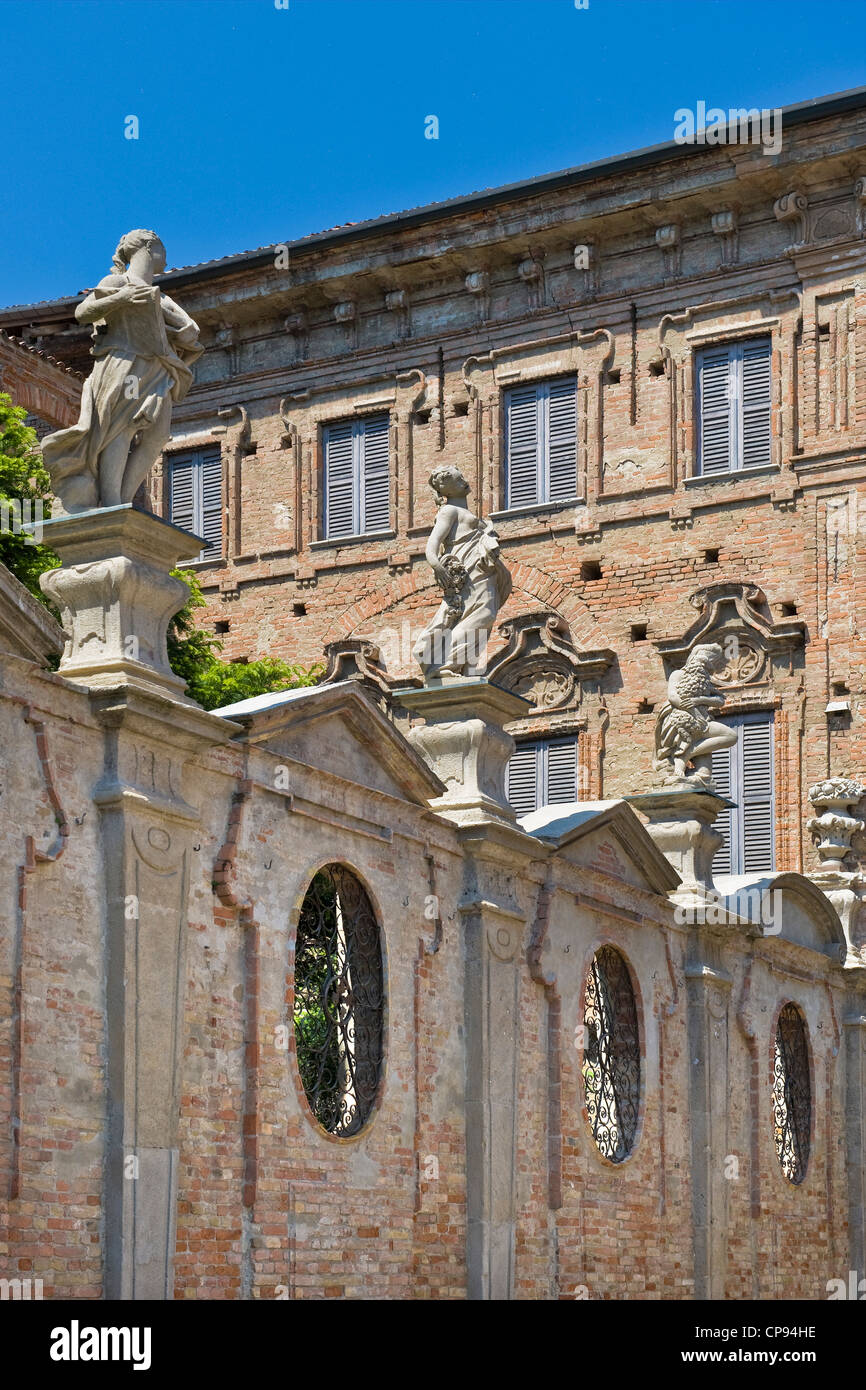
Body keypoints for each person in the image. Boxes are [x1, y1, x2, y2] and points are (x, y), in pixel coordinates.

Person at [42, 230, 202, 513]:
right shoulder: (118, 281)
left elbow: (190, 333)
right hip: (125, 362)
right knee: (122, 428)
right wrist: (123, 298)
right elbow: (83, 312)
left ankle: (124, 500)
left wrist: (180, 328)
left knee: (157, 436)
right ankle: (113, 502)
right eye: (163, 248)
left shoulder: (162, 297)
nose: (166, 256)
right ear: (150, 248)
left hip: (158, 367)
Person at [413, 465, 512, 678]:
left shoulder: (468, 514)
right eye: (458, 482)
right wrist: (437, 566)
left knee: (483, 617)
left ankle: (465, 668)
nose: (464, 482)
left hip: (482, 570)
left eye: (462, 478)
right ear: (447, 492)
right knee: (482, 615)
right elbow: (432, 545)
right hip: (467, 572)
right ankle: (441, 665)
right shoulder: (449, 511)